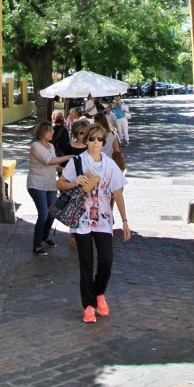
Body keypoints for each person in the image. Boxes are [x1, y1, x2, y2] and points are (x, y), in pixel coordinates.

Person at [57, 122, 131, 322]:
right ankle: (88, 306)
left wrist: (124, 220)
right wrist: (75, 182)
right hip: (82, 220)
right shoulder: (78, 162)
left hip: (104, 220)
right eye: (92, 139)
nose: (95, 142)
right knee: (86, 263)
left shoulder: (109, 164)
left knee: (106, 259)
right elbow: (60, 183)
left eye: (99, 139)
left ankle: (99, 293)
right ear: (86, 140)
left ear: (103, 142)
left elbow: (117, 192)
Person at [27, 119, 73, 256]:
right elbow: (48, 161)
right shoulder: (35, 146)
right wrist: (68, 157)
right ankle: (36, 245)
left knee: (52, 212)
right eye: (49, 131)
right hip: (37, 184)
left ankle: (45, 236)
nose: (52, 133)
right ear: (42, 132)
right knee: (43, 213)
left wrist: (66, 170)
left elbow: (54, 165)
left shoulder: (51, 147)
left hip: (50, 184)